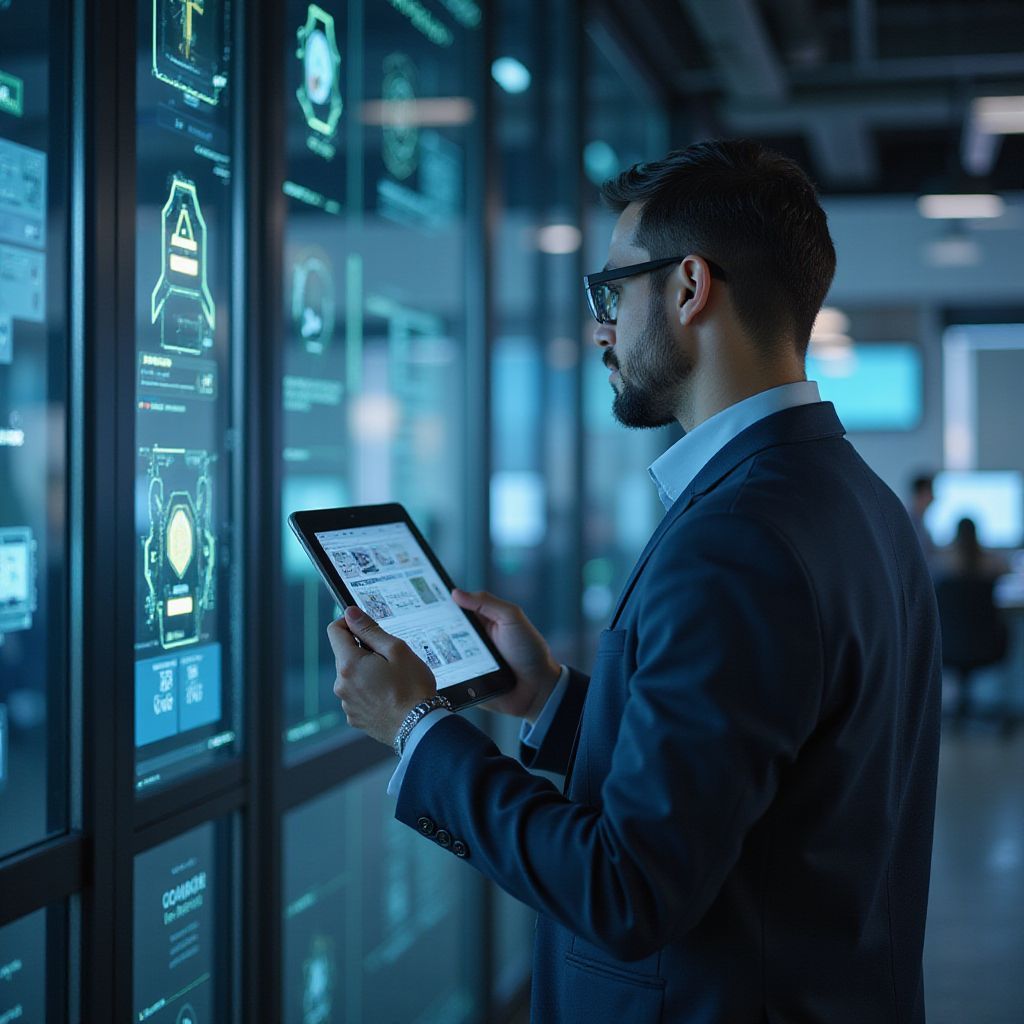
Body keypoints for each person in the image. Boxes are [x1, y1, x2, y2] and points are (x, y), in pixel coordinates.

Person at [326, 140, 942, 1023]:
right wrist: (549, 698)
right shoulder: (854, 499)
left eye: (612, 291)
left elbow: (629, 890)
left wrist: (417, 729)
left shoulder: (738, 537)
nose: (601, 326)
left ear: (690, 288)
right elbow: (754, 782)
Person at [907, 472, 937, 571]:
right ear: (921, 494)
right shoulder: (910, 522)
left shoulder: (919, 521)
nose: (933, 498)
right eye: (930, 492)